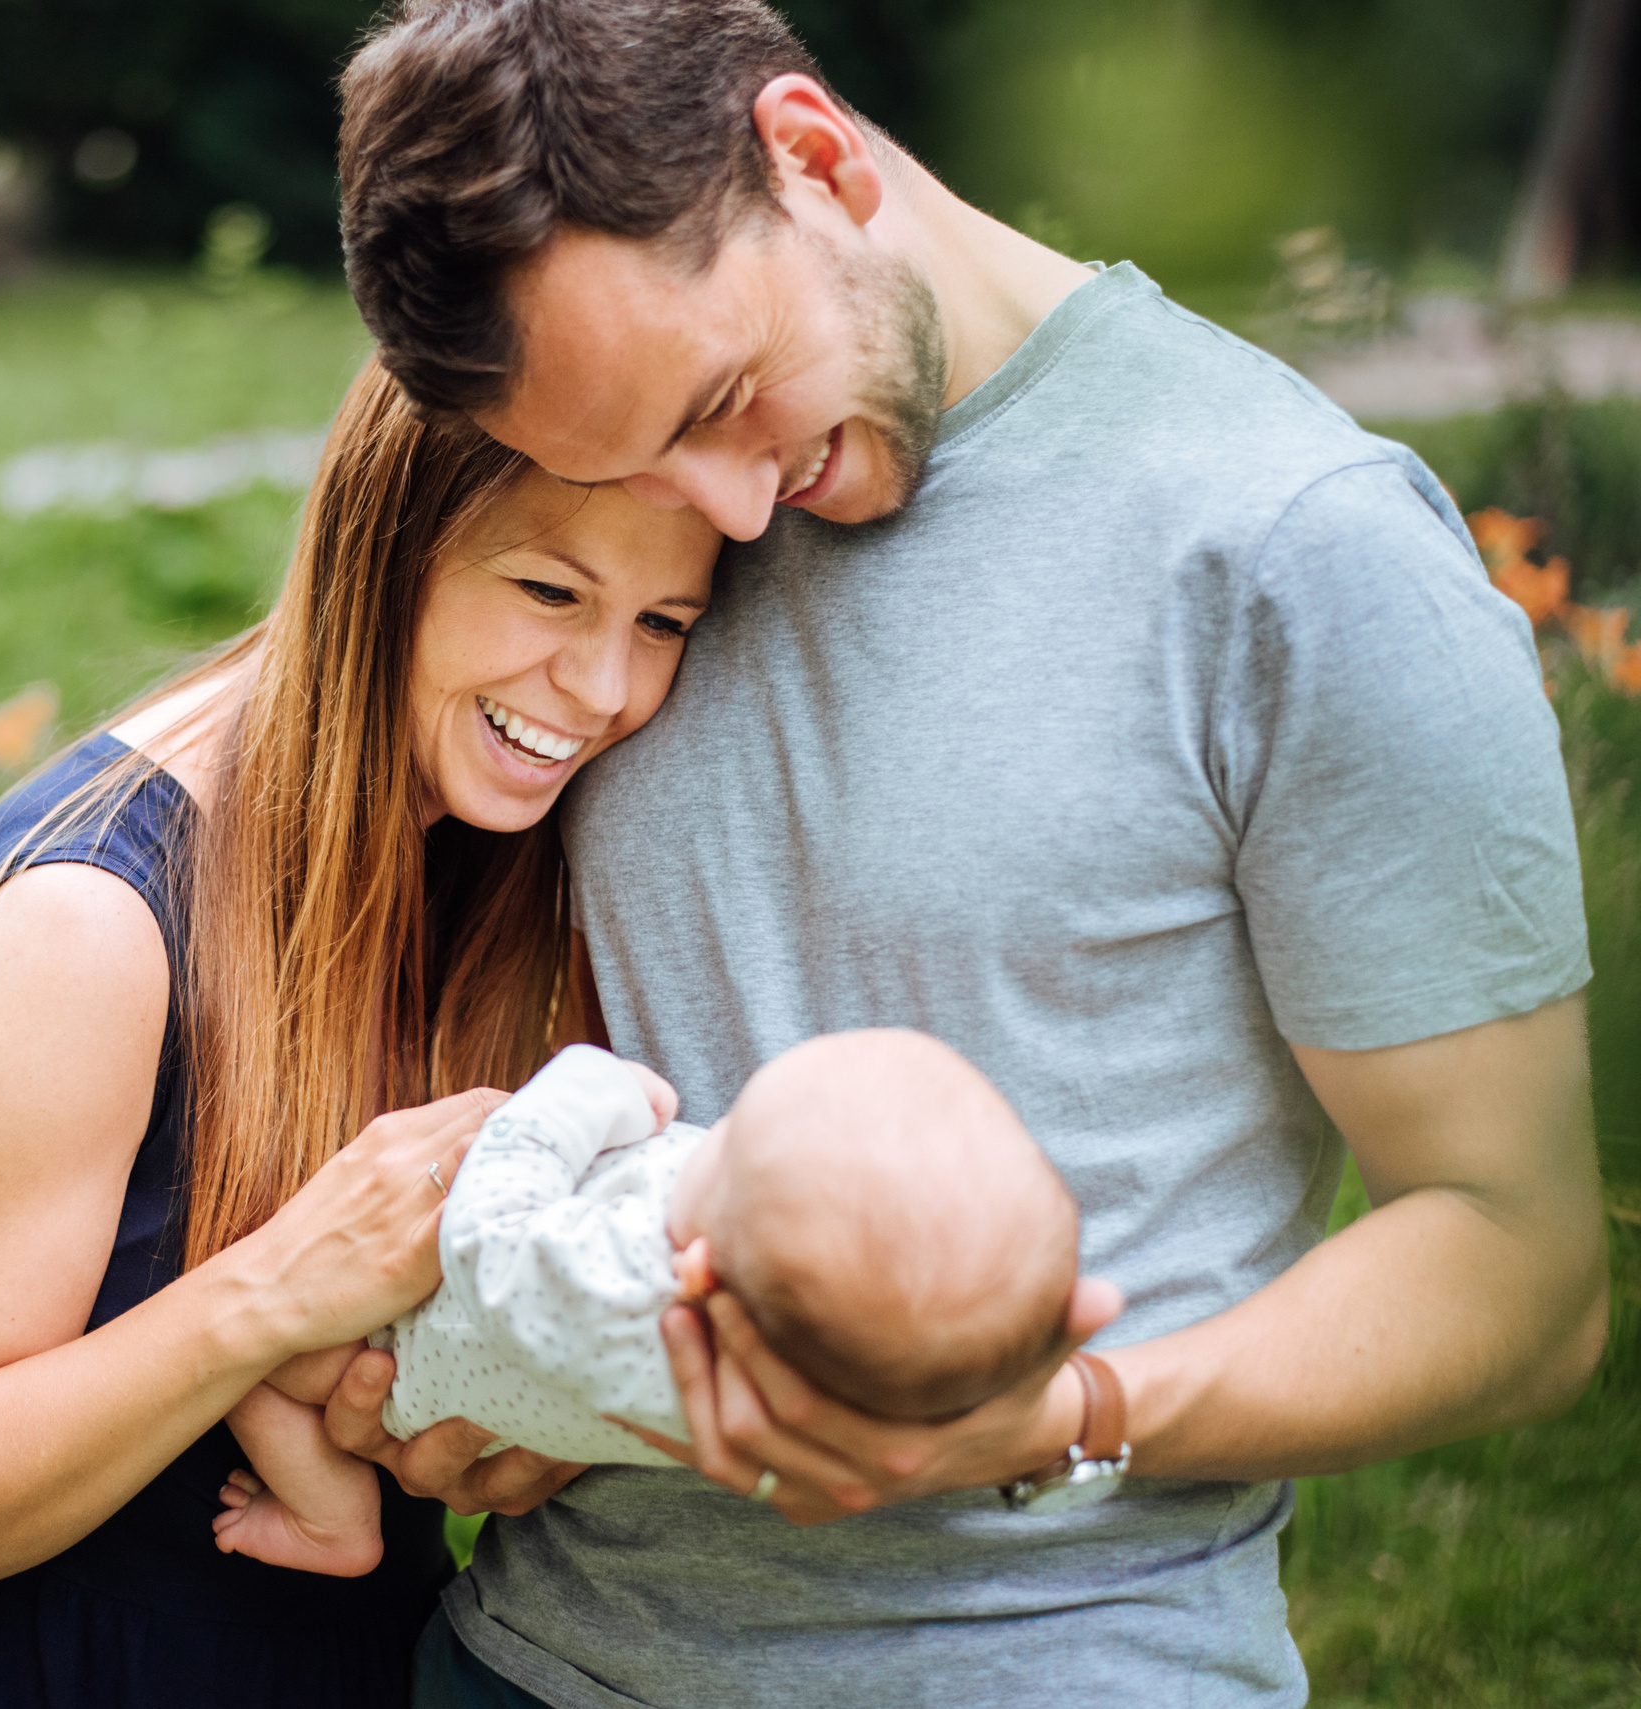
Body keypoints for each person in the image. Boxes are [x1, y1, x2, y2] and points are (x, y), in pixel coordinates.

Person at [320, 2, 1611, 1704]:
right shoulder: (624, 533)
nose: (721, 512)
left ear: (815, 156)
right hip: (527, 1659)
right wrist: (520, 1354)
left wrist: (1062, 1415)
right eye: (627, 460)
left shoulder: (1297, 547)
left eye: (723, 401)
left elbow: (1519, 1263)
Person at [0, 355, 720, 1709]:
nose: (601, 683)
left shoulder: (476, 854)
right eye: (549, 591)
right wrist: (278, 1288)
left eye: (665, 621)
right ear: (383, 548)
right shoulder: (90, 926)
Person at [214, 1031, 1085, 1577]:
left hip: (405, 1349)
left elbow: (486, 1240)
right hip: (516, 1400)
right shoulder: (786, 1386)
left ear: (700, 1269)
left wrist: (585, 1089)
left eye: (734, 1135)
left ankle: (332, 1520)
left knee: (248, 1353)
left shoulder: (631, 1289)